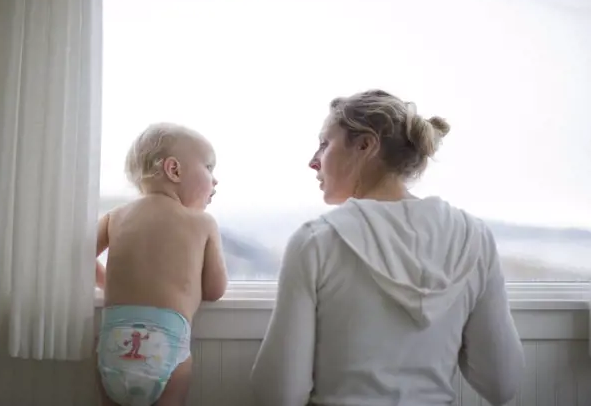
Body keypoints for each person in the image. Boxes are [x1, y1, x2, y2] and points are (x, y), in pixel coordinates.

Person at [250, 89, 525, 406]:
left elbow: (278, 395)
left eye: (325, 144)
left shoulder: (317, 241)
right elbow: (503, 384)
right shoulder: (474, 237)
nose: (313, 162)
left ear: (365, 145)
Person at [94, 122, 228, 406]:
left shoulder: (116, 216)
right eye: (209, 168)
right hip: (166, 345)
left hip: (114, 344)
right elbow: (215, 289)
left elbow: (78, 261)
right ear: (174, 170)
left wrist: (109, 284)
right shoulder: (202, 223)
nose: (215, 181)